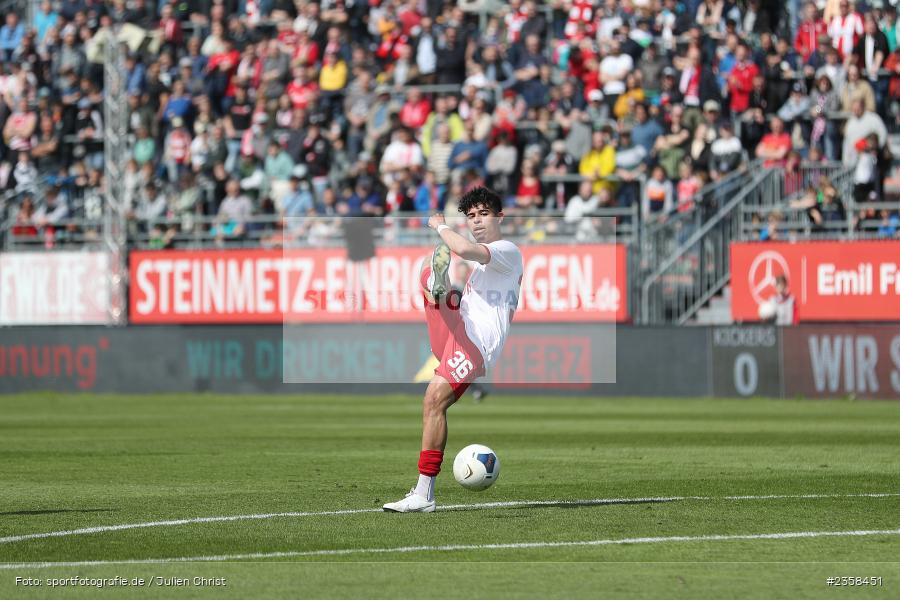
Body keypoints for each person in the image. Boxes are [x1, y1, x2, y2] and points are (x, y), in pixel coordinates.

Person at [383, 187, 523, 513]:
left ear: (500, 217)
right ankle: (438, 289)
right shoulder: (487, 265)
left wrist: (440, 225)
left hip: (476, 342)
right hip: (461, 328)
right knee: (428, 277)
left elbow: (461, 247)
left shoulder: (506, 250)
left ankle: (423, 494)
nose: (476, 221)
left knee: (434, 400)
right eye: (471, 216)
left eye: (483, 214)